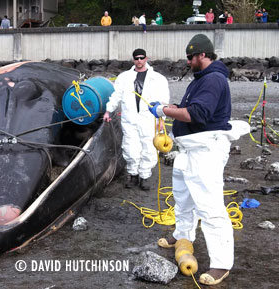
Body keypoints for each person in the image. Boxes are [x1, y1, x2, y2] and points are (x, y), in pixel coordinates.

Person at [148, 34, 241, 285]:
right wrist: (171, 106)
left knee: (210, 208)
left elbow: (197, 114)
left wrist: (163, 111)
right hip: (188, 151)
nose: (188, 61)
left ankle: (221, 264)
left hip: (205, 152)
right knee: (183, 198)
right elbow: (190, 107)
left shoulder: (213, 80)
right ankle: (183, 235)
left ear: (203, 55)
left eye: (191, 57)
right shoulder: (200, 79)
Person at [103, 48, 170, 190]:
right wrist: (108, 111)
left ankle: (145, 176)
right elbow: (116, 96)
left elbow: (164, 101)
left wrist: (161, 120)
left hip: (149, 119)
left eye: (141, 58)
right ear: (133, 60)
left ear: (146, 58)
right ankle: (133, 175)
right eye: (136, 58)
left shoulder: (158, 79)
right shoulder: (124, 77)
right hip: (129, 119)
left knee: (149, 147)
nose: (139, 61)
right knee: (130, 147)